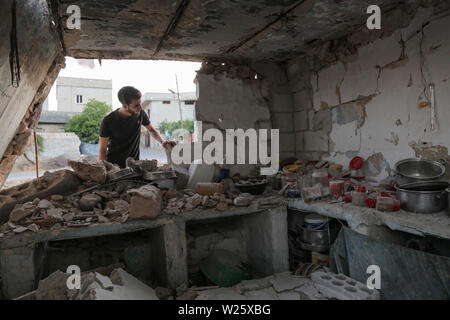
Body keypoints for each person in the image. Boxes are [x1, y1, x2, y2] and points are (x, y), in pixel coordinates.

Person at [98, 86, 176, 168]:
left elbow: (151, 130)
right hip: (114, 166)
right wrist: (103, 170)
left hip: (134, 165)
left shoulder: (140, 113)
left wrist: (162, 141)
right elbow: (102, 150)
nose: (140, 107)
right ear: (125, 106)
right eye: (136, 105)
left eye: (140, 103)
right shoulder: (108, 121)